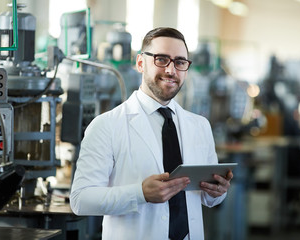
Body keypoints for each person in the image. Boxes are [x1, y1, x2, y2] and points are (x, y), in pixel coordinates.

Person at [70, 27, 233, 240]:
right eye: (162, 59)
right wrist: (140, 194)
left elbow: (206, 199)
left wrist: (217, 192)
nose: (171, 70)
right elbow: (81, 200)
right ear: (140, 63)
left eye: (180, 62)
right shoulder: (106, 126)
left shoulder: (200, 126)